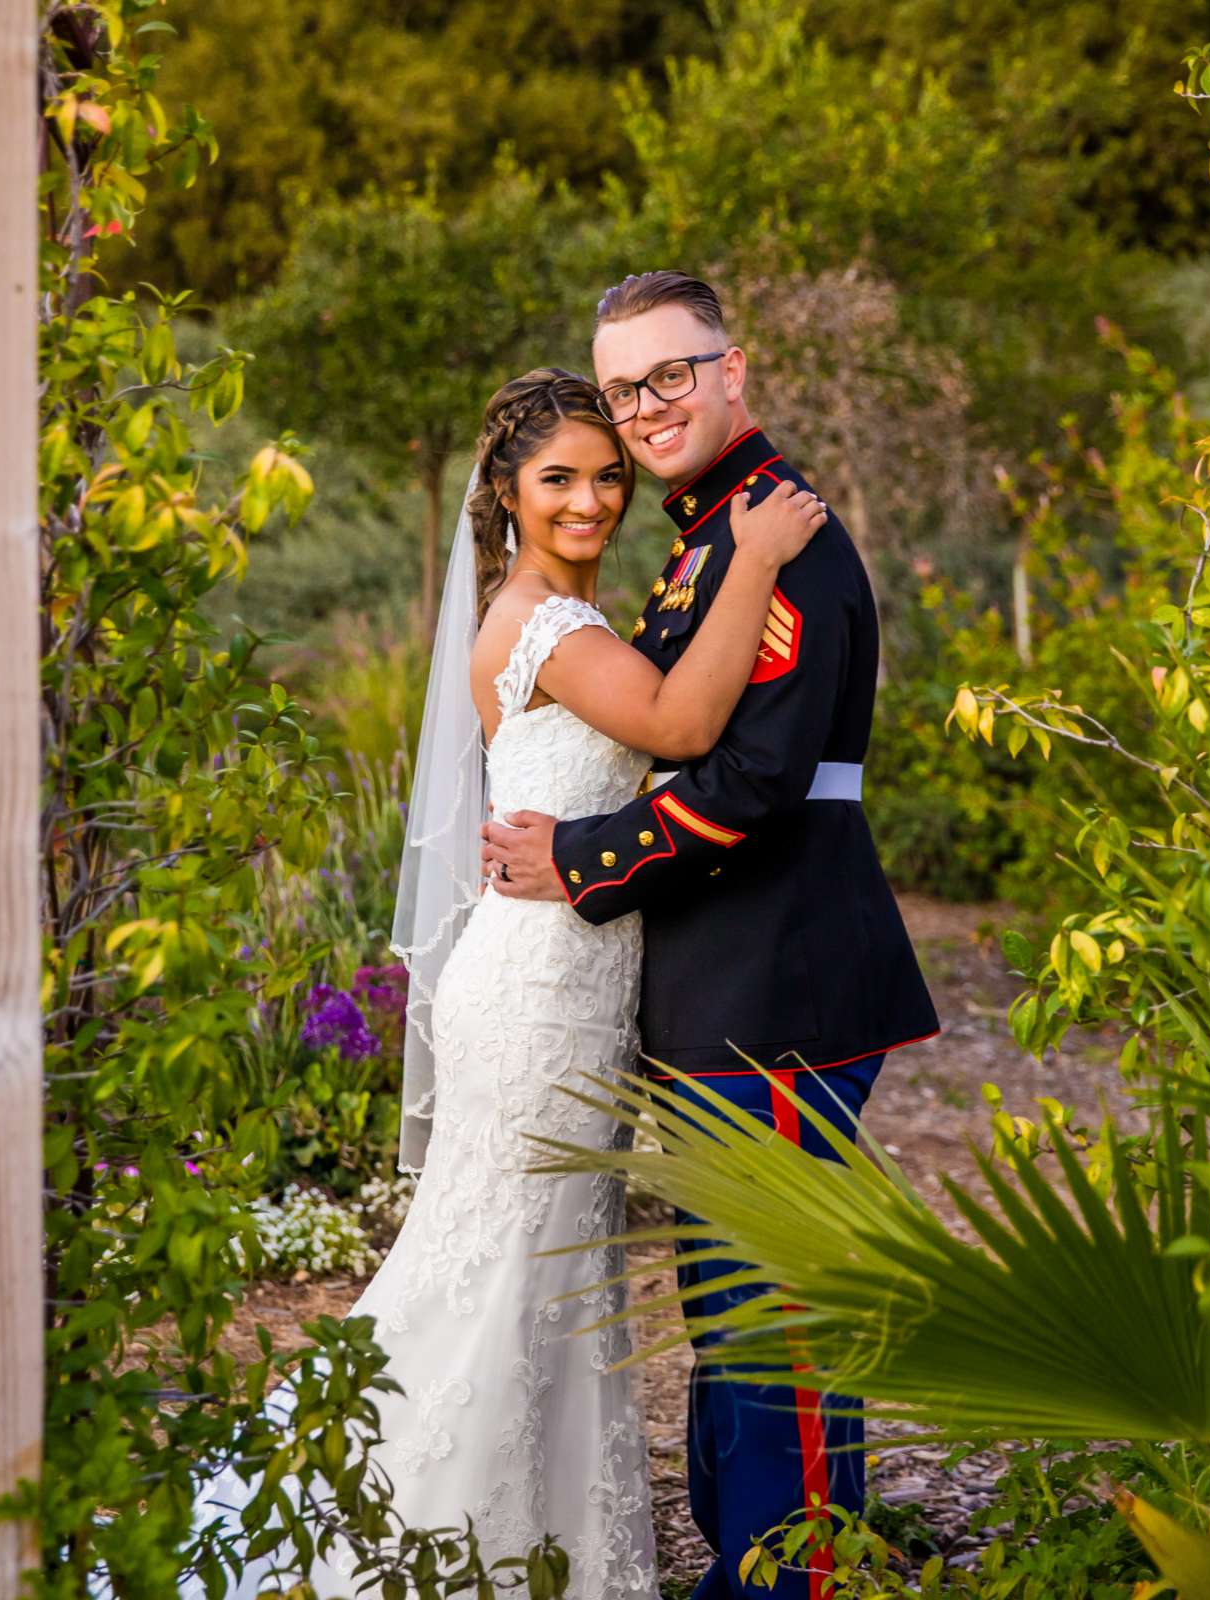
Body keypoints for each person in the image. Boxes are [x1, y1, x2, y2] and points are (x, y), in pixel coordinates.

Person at [206, 366, 826, 1599]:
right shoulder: (545, 624)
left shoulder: (571, 613)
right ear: (504, 492)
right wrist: (753, 554)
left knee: (549, 1275)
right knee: (501, 1275)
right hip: (540, 994)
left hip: (572, 978)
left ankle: (532, 1548)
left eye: (607, 475)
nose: (593, 498)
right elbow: (687, 725)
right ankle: (405, 1538)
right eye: (560, 479)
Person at [480, 273, 938, 1600]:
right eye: (625, 389)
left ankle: (794, 1584)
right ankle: (753, 1567)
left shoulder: (778, 532)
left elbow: (752, 781)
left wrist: (578, 861)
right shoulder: (712, 540)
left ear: (735, 367)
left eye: (669, 375)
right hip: (728, 984)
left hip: (782, 979)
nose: (646, 407)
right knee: (733, 1315)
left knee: (773, 1326)